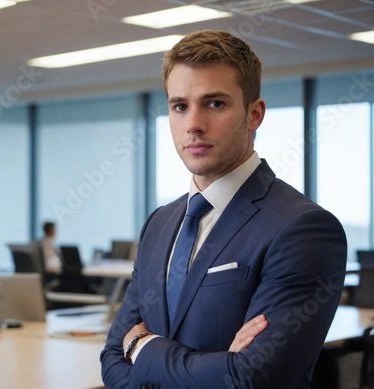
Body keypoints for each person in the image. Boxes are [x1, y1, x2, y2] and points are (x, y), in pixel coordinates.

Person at [100, 30, 347, 388]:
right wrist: (214, 367)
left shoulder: (302, 228)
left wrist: (142, 346)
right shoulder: (159, 223)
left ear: (254, 114)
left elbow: (251, 378)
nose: (193, 124)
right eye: (180, 106)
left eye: (215, 103)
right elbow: (111, 356)